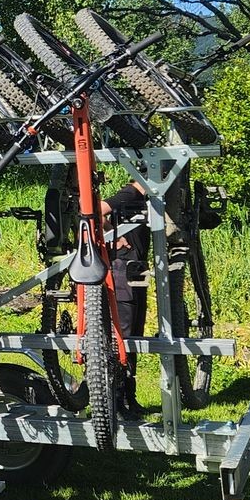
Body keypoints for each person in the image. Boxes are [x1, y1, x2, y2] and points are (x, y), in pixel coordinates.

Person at [105, 174, 150, 419]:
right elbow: (95, 211)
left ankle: (129, 397)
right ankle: (117, 399)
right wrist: (115, 235)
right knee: (122, 335)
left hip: (137, 268)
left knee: (135, 332)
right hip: (122, 268)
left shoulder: (144, 198)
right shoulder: (128, 194)